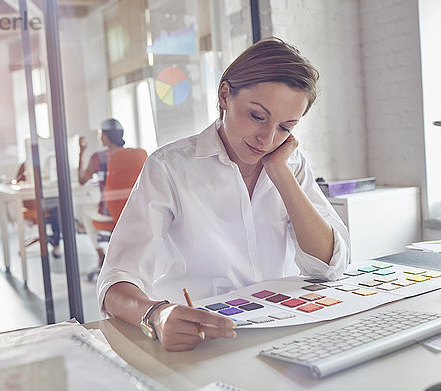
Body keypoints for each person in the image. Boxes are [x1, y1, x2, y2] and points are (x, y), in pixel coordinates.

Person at [97, 38, 350, 352]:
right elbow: (115, 283)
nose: (267, 138)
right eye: (257, 116)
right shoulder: (169, 168)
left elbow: (327, 267)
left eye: (285, 127)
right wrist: (156, 314)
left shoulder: (290, 164)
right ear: (224, 96)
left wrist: (280, 173)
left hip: (279, 334)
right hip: (198, 338)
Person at [76, 118, 126, 268]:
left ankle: (100, 254)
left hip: (109, 211)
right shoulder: (134, 154)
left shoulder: (98, 157)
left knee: (85, 211)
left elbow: (81, 180)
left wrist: (81, 153)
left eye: (100, 134)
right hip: (131, 209)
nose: (100, 137)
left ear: (106, 136)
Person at [14, 162, 61, 259]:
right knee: (55, 212)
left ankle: (57, 244)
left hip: (45, 202)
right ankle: (57, 244)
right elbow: (17, 181)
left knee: (56, 207)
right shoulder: (25, 164)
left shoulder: (46, 162)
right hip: (31, 204)